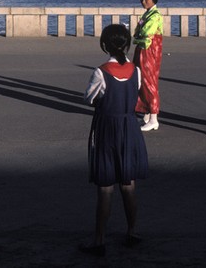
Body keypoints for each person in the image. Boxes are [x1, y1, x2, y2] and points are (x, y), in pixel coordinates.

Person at [79, 24, 148, 257]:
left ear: (105, 45)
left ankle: (99, 239)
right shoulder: (135, 70)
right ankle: (132, 230)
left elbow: (89, 98)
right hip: (129, 127)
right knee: (128, 185)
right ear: (127, 44)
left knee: (105, 187)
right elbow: (137, 93)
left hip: (107, 128)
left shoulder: (101, 72)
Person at [133, 0, 163, 131]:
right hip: (143, 49)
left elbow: (145, 33)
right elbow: (138, 32)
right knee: (141, 81)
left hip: (149, 51)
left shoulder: (155, 16)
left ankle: (153, 117)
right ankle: (145, 113)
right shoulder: (147, 15)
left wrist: (137, 37)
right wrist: (138, 36)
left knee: (149, 82)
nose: (143, 2)